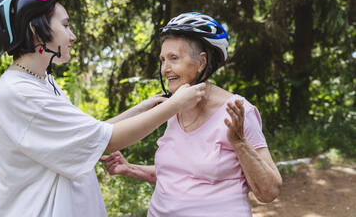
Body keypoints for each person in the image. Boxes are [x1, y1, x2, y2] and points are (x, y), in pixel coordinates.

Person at [0, 0, 206, 217]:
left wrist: (141, 109)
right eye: (66, 25)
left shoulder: (42, 83)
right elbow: (109, 141)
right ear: (34, 30)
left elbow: (89, 134)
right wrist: (175, 105)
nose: (73, 36)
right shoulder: (18, 92)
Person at [101, 12, 283, 217]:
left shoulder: (238, 110)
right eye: (162, 59)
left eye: (174, 58)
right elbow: (180, 175)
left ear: (202, 62)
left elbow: (270, 191)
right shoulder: (173, 108)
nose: (164, 69)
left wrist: (240, 143)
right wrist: (130, 169)